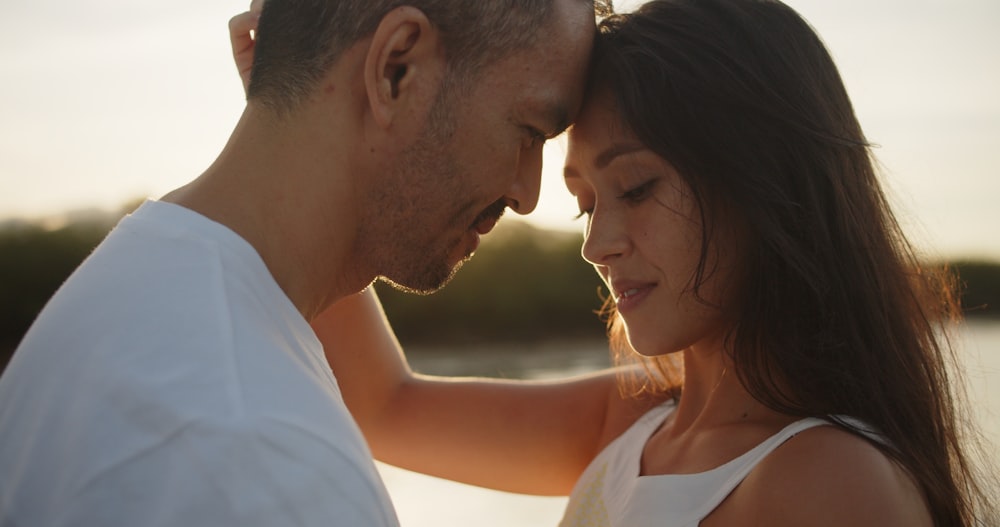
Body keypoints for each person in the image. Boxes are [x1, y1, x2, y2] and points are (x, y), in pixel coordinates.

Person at [311, 0, 998, 525]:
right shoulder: (634, 419)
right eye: (585, 203)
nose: (596, 242)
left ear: (764, 181)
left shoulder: (829, 480)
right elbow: (381, 406)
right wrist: (324, 113)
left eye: (636, 188)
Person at [0, 0, 598, 525]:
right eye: (529, 131)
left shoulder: (128, 286)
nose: (527, 195)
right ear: (397, 69)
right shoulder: (261, 460)